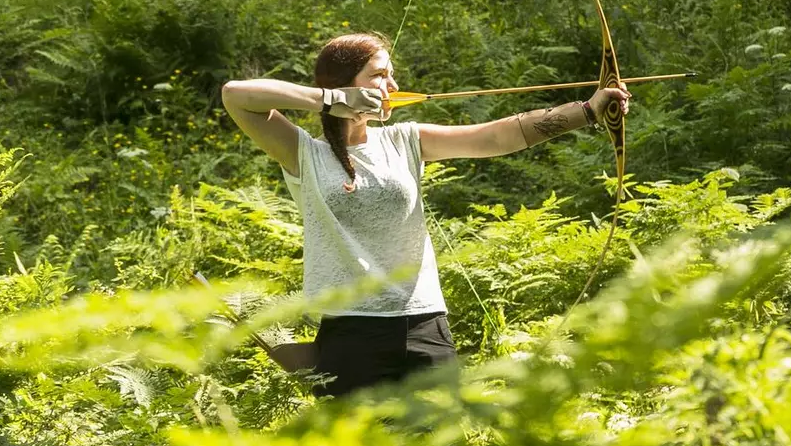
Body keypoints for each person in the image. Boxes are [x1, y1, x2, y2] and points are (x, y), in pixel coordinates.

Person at [221, 32, 630, 397]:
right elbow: (236, 94)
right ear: (344, 81)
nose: (393, 86)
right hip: (349, 331)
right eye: (379, 75)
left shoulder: (404, 139)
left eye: (391, 75)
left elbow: (497, 135)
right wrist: (331, 100)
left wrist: (589, 111)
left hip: (423, 324)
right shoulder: (303, 152)